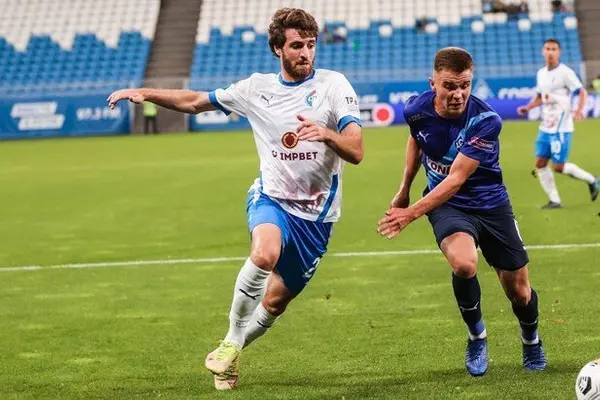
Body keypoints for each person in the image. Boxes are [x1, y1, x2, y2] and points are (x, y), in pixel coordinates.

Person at [108, 7, 363, 391]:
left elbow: (356, 150)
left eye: (311, 45)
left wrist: (327, 134)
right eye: (297, 45)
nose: (306, 53)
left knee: (274, 304)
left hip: (317, 216)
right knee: (264, 254)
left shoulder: (334, 85)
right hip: (272, 198)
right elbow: (195, 101)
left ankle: (233, 352)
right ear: (277, 48)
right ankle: (230, 340)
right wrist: (147, 93)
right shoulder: (255, 89)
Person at [377, 47, 546, 377]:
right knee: (465, 264)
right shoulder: (415, 109)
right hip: (447, 206)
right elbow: (417, 140)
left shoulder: (486, 121)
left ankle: (531, 340)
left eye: (465, 85)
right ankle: (477, 337)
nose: (458, 94)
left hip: (490, 204)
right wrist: (404, 188)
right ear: (433, 83)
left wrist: (410, 213)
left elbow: (455, 179)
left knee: (520, 292)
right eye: (450, 86)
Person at [517, 39, 599, 209]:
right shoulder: (541, 73)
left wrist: (579, 110)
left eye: (554, 49)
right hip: (546, 125)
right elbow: (541, 96)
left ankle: (592, 180)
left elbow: (582, 92)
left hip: (561, 127)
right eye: (547, 49)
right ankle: (555, 201)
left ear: (559, 52)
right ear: (543, 51)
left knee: (559, 167)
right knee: (540, 163)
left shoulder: (565, 72)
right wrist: (528, 107)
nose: (550, 52)